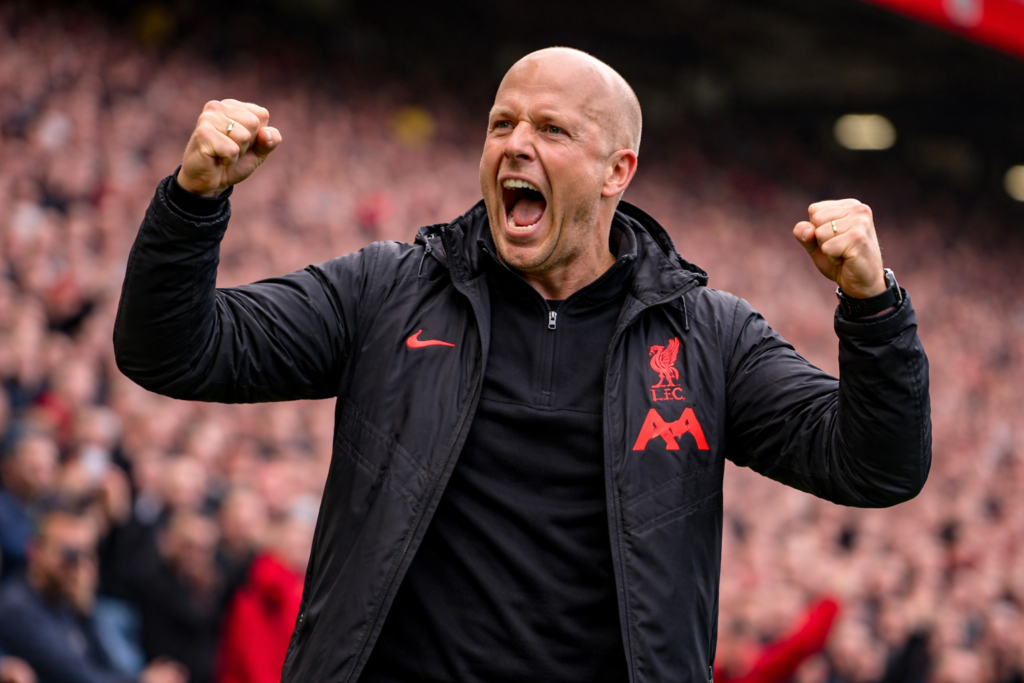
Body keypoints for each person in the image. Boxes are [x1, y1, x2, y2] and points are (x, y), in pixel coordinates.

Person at [113, 47, 931, 683]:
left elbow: (877, 464)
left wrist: (873, 306)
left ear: (618, 171)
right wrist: (192, 205)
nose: (515, 145)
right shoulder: (391, 289)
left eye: (552, 129)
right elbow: (175, 350)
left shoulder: (708, 338)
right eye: (502, 123)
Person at [0, 507, 187, 683]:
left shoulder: (65, 600)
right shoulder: (17, 607)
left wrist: (86, 610)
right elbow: (77, 676)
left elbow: (105, 665)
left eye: (86, 555)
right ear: (36, 551)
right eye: (69, 555)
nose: (79, 565)